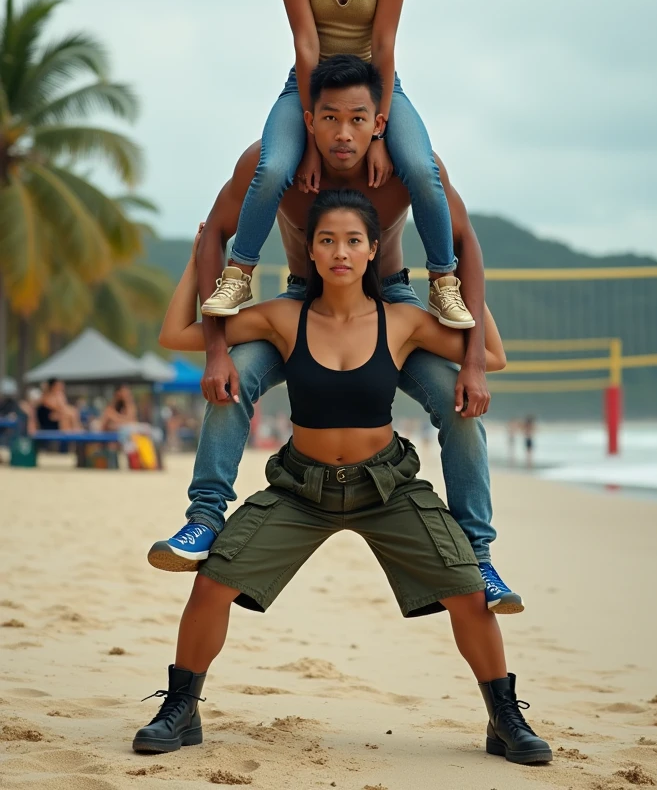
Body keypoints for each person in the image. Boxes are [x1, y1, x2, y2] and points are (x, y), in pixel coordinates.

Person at [134, 189, 551, 766]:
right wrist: (200, 257)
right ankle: (181, 707)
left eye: (353, 240)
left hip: (387, 487)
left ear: (373, 249)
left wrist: (456, 283)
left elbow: (493, 355)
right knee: (211, 583)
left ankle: (505, 718)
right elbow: (177, 335)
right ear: (310, 250)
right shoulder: (285, 317)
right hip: (300, 488)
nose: (340, 252)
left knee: (469, 592)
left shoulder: (402, 320)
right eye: (326, 240)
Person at [150, 56, 522, 613]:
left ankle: (479, 556)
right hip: (303, 300)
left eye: (357, 118)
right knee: (228, 383)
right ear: (307, 119)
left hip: (393, 300)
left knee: (459, 404)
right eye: (330, 118)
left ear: (379, 120)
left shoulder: (408, 168)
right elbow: (215, 238)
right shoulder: (274, 166)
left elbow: (466, 246)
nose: (342, 132)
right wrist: (216, 354)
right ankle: (203, 521)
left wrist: (470, 362)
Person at [200, 0, 473, 331]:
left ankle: (442, 282)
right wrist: (309, 127)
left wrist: (377, 129)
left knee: (421, 169)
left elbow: (386, 42)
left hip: (375, 87)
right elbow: (305, 41)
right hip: (309, 84)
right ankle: (238, 273)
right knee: (274, 167)